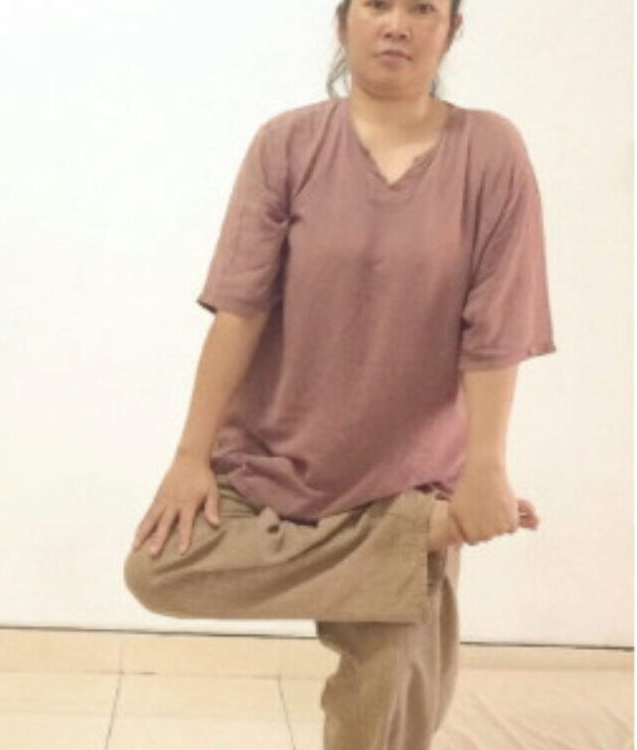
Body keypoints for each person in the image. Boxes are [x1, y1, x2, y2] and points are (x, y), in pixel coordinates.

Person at [124, 1, 552, 749]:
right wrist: (190, 455)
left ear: (451, 29)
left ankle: (409, 533)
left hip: (410, 477)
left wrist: (485, 469)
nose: (396, 24)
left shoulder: (489, 149)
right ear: (343, 21)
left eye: (422, 8)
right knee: (158, 569)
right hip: (273, 460)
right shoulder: (287, 144)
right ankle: (410, 540)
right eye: (376, 4)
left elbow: (497, 326)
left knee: (393, 714)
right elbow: (238, 310)